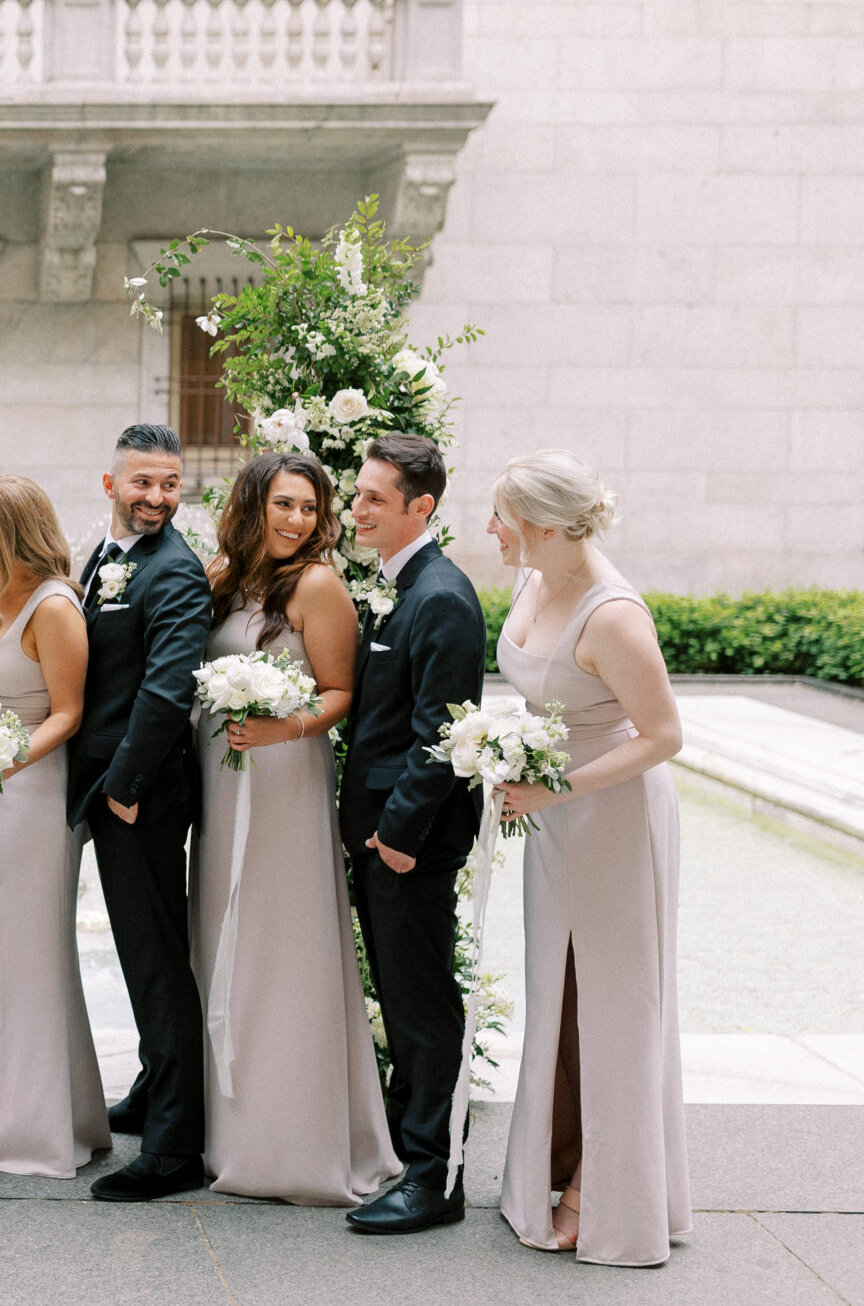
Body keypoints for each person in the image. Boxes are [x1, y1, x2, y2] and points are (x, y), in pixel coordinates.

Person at [489, 450, 689, 1266]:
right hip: (554, 815)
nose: (491, 530)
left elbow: (666, 735)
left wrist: (556, 786)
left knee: (611, 1001)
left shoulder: (613, 616)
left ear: (540, 524)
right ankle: (559, 1158)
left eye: (501, 516)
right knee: (560, 994)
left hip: (610, 817)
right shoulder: (533, 580)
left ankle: (599, 1193)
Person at [192, 452, 400, 1205]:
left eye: (309, 508)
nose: (297, 520)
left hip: (283, 782)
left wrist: (285, 729)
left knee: (284, 948)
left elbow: (342, 690)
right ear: (253, 505)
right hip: (221, 782)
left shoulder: (318, 584)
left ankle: (296, 1142)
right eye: (284, 504)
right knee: (226, 943)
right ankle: (232, 1133)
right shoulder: (223, 578)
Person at [338, 432, 486, 1236]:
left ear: (420, 507)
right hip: (382, 837)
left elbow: (443, 732)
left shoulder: (442, 597)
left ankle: (436, 1178)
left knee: (424, 1007)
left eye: (373, 498)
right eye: (358, 493)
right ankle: (408, 1153)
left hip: (410, 844)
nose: (356, 507)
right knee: (402, 997)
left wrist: (397, 835)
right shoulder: (400, 584)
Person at [67, 423, 215, 1202]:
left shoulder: (176, 572)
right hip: (106, 785)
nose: (157, 497)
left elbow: (167, 690)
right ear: (111, 485)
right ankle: (157, 1088)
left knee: (158, 964)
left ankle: (175, 1147)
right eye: (143, 483)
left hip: (142, 797)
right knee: (137, 953)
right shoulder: (105, 558)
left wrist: (122, 787)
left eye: (169, 483)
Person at [0, 475, 107, 1179]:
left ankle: (39, 1126)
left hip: (33, 791)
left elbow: (67, 713)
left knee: (31, 951)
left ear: (8, 537)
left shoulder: (54, 606)